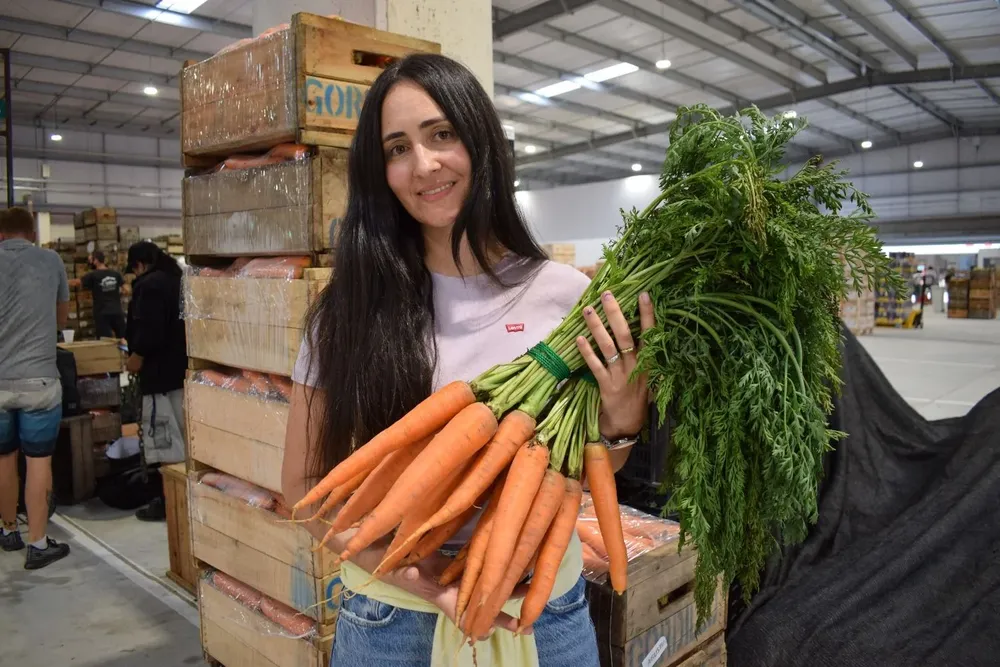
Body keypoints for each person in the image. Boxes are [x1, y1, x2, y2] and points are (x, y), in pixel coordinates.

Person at [281, 54, 654, 667]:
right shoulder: (346, 312)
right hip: (391, 619)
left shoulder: (565, 296)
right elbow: (302, 490)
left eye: (441, 134)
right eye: (397, 148)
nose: (424, 164)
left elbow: (583, 475)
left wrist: (621, 421)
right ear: (380, 172)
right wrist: (426, 581)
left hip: (542, 609)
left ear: (480, 142)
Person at [0, 207, 72, 569]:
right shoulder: (51, 260)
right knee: (38, 461)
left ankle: (8, 529)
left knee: (3, 458)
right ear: (32, 234)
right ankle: (38, 544)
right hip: (39, 380)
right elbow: (61, 319)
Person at [123, 241, 187, 521]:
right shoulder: (178, 280)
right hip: (182, 374)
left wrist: (136, 355)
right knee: (185, 440)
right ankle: (185, 500)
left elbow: (150, 331)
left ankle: (168, 502)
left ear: (139, 265)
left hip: (159, 379)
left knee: (165, 442)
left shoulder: (149, 286)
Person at [69, 250, 126, 339]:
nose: (89, 263)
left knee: (105, 340)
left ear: (96, 260)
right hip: (117, 311)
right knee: (123, 338)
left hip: (102, 313)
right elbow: (126, 290)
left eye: (90, 260)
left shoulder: (93, 275)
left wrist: (61, 281)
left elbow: (76, 282)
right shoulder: (115, 274)